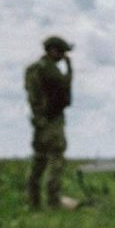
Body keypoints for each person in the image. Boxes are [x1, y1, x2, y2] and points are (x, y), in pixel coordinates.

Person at [25, 36, 73, 209]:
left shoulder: (32, 69)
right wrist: (69, 68)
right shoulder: (50, 70)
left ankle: (33, 202)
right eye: (61, 52)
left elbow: (33, 97)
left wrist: (39, 117)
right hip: (52, 120)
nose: (63, 56)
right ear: (53, 50)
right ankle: (53, 202)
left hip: (39, 121)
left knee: (39, 160)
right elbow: (65, 88)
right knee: (56, 159)